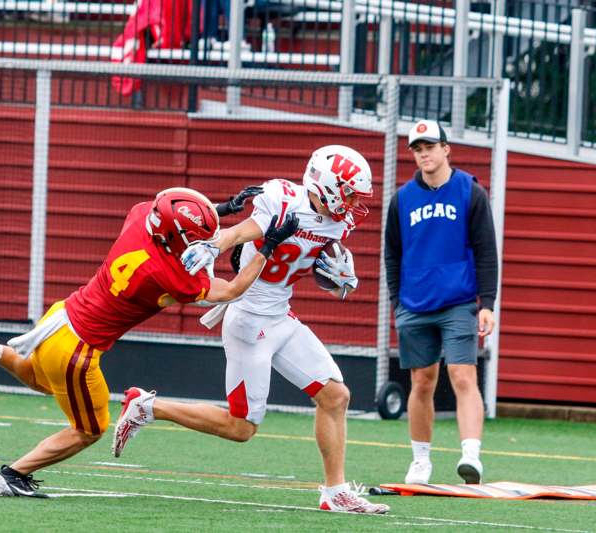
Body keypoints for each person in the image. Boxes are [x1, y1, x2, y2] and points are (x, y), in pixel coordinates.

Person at [0, 185, 298, 498]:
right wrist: (268, 247)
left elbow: (176, 225)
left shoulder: (141, 217)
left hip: (60, 316)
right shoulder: (169, 275)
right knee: (90, 428)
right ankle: (12, 476)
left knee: (44, 382)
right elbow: (232, 289)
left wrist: (222, 210)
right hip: (78, 348)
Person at [112, 145, 390, 514]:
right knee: (241, 427)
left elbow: (318, 267)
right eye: (350, 192)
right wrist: (211, 247)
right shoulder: (283, 200)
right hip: (248, 319)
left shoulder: (338, 221)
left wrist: (338, 274)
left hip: (280, 316)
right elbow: (241, 232)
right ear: (327, 185)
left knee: (335, 396)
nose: (354, 202)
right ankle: (147, 407)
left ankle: (334, 491)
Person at [385, 120, 498, 485]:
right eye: (417, 149)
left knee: (463, 375)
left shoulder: (470, 191)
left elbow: (486, 251)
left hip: (458, 302)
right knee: (422, 382)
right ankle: (421, 461)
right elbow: (393, 254)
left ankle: (471, 457)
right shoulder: (402, 199)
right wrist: (396, 302)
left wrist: (488, 303)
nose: (424, 154)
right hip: (414, 305)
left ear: (446, 149)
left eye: (430, 147)